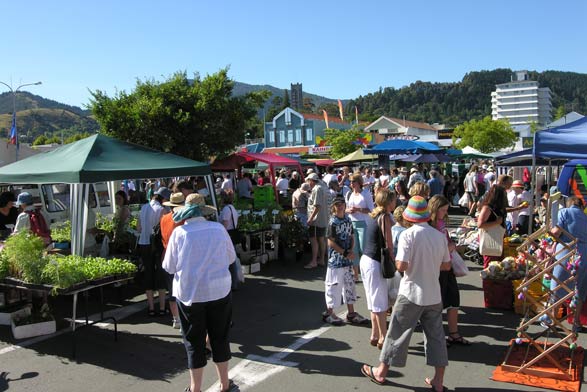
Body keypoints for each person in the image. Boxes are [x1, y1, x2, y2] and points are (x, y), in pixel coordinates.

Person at [361, 196, 451, 391]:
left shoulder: (408, 235)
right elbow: (446, 265)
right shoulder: (438, 235)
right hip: (433, 293)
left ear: (410, 216)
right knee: (436, 337)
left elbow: (401, 265)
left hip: (411, 292)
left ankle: (381, 372)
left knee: (397, 333)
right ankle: (438, 381)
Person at [162, 194, 237, 392]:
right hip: (219, 290)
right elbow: (231, 258)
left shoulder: (180, 233)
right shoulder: (218, 229)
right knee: (219, 337)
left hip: (190, 294)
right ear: (204, 211)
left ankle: (195, 388)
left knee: (194, 341)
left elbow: (169, 266)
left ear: (186, 212)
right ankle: (225, 384)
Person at [428, 195, 471, 346]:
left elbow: (446, 240)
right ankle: (438, 336)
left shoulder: (440, 223)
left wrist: (453, 245)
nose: (445, 213)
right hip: (437, 268)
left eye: (447, 210)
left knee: (453, 299)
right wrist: (449, 247)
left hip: (448, 266)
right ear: (435, 209)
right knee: (437, 303)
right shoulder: (429, 225)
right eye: (443, 210)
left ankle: (454, 333)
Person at [322, 196, 369, 325]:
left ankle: (351, 313)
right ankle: (330, 313)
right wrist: (345, 252)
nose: (340, 206)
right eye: (337, 204)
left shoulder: (348, 220)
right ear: (334, 207)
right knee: (333, 286)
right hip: (336, 261)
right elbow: (330, 242)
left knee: (350, 286)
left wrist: (351, 250)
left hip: (347, 260)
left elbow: (352, 236)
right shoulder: (333, 222)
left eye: (342, 203)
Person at [360, 189, 396, 350]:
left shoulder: (375, 216)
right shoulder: (386, 217)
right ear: (389, 202)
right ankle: (383, 336)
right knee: (380, 302)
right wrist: (397, 264)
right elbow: (389, 245)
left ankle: (375, 334)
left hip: (366, 260)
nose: (396, 203)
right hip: (375, 262)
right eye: (394, 201)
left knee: (373, 299)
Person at [548, 196, 587, 329]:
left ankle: (553, 319)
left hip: (567, 251)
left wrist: (550, 231)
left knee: (558, 284)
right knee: (579, 290)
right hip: (584, 254)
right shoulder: (585, 217)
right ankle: (576, 322)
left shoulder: (564, 212)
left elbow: (556, 232)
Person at [138, 186, 171, 316]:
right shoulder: (162, 209)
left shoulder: (144, 208)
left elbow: (139, 227)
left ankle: (151, 308)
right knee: (161, 274)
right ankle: (162, 308)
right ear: (163, 198)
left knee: (148, 274)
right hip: (158, 244)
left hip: (144, 243)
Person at [160, 192, 186, 329]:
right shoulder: (182, 219)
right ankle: (181, 318)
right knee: (182, 289)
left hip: (166, 255)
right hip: (180, 257)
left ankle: (176, 319)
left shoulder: (164, 218)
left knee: (171, 289)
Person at [345, 173, 375, 282]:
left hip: (364, 223)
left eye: (353, 182)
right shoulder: (349, 194)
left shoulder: (366, 194)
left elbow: (371, 210)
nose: (351, 184)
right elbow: (346, 209)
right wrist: (349, 210)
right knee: (354, 249)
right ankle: (356, 275)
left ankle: (366, 272)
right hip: (352, 223)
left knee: (364, 249)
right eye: (351, 182)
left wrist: (358, 210)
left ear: (359, 183)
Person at [477, 184, 508, 268]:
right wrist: (496, 223)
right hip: (490, 239)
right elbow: (480, 224)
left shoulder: (498, 208)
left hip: (497, 239)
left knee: (498, 265)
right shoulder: (487, 208)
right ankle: (488, 281)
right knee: (490, 265)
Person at [304, 173, 329, 269]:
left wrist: (310, 218)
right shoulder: (322, 187)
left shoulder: (317, 189)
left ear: (311, 180)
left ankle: (314, 261)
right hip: (322, 219)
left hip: (316, 220)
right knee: (321, 239)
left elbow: (317, 206)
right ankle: (321, 259)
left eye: (308, 181)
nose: (308, 183)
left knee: (314, 240)